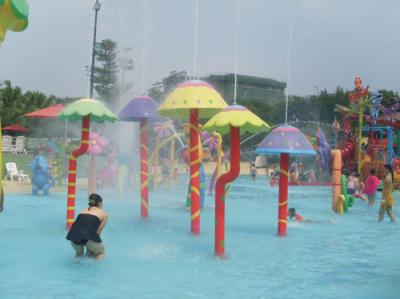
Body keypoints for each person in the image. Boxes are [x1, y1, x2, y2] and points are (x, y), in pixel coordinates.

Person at [66, 193, 108, 259]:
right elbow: (97, 232)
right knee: (100, 252)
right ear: (99, 203)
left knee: (79, 253)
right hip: (88, 237)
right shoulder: (103, 214)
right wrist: (94, 247)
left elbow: (79, 228)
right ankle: (96, 268)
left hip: (73, 237)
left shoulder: (82, 211)